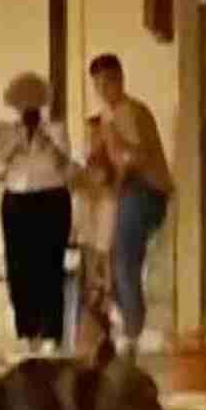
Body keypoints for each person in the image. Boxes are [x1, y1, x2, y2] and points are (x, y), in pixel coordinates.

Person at [89, 53, 174, 360]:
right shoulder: (106, 116)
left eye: (109, 81)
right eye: (98, 83)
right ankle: (128, 327)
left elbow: (136, 158)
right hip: (122, 192)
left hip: (144, 189)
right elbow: (105, 163)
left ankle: (132, 333)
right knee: (115, 260)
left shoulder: (132, 112)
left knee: (124, 258)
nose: (104, 88)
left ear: (120, 79)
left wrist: (113, 143)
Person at [0, 71, 72, 355]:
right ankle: (26, 331)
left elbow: (63, 164)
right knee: (19, 267)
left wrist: (43, 138)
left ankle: (51, 332)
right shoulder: (6, 129)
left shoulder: (56, 128)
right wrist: (19, 140)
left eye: (33, 101)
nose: (28, 107)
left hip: (51, 198)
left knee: (50, 265)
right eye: (22, 102)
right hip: (17, 200)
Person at [69, 116, 118, 357]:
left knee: (103, 287)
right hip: (89, 238)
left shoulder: (114, 165)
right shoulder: (83, 166)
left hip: (105, 239)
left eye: (97, 135)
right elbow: (76, 190)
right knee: (89, 289)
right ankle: (88, 341)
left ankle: (103, 339)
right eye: (90, 135)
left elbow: (106, 189)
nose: (93, 140)